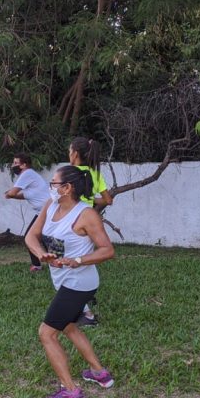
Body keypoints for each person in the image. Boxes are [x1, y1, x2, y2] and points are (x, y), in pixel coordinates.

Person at [25, 165, 115, 398]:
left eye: (54, 183)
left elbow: (108, 250)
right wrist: (41, 253)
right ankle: (99, 374)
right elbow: (30, 237)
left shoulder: (86, 215)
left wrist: (78, 260)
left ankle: (71, 392)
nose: (51, 187)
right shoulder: (50, 205)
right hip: (63, 281)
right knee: (69, 327)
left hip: (79, 283)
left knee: (47, 333)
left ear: (67, 188)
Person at [68, 137, 113, 327]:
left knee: (71, 265)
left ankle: (86, 313)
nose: (69, 154)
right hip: (89, 222)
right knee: (85, 259)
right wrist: (91, 202)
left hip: (73, 222)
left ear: (75, 154)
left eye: (70, 151)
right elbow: (108, 200)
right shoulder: (95, 173)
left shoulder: (70, 174)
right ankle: (87, 296)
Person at [4, 152, 50, 271]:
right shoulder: (30, 178)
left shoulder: (27, 173)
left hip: (46, 211)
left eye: (15, 163)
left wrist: (9, 194)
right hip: (44, 212)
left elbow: (13, 192)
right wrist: (11, 195)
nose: (13, 165)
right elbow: (23, 195)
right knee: (42, 238)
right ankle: (51, 262)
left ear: (24, 165)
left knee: (30, 237)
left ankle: (39, 265)